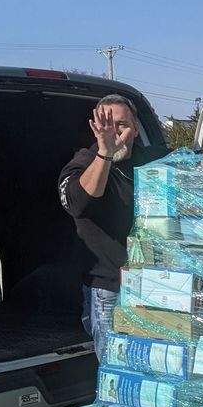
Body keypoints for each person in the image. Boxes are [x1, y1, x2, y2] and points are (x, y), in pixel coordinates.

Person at [59, 94, 144, 359]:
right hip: (108, 289)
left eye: (122, 125)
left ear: (137, 129)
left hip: (151, 285)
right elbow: (77, 203)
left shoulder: (149, 163)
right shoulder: (84, 162)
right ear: (95, 128)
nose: (115, 132)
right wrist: (105, 153)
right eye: (106, 124)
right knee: (115, 370)